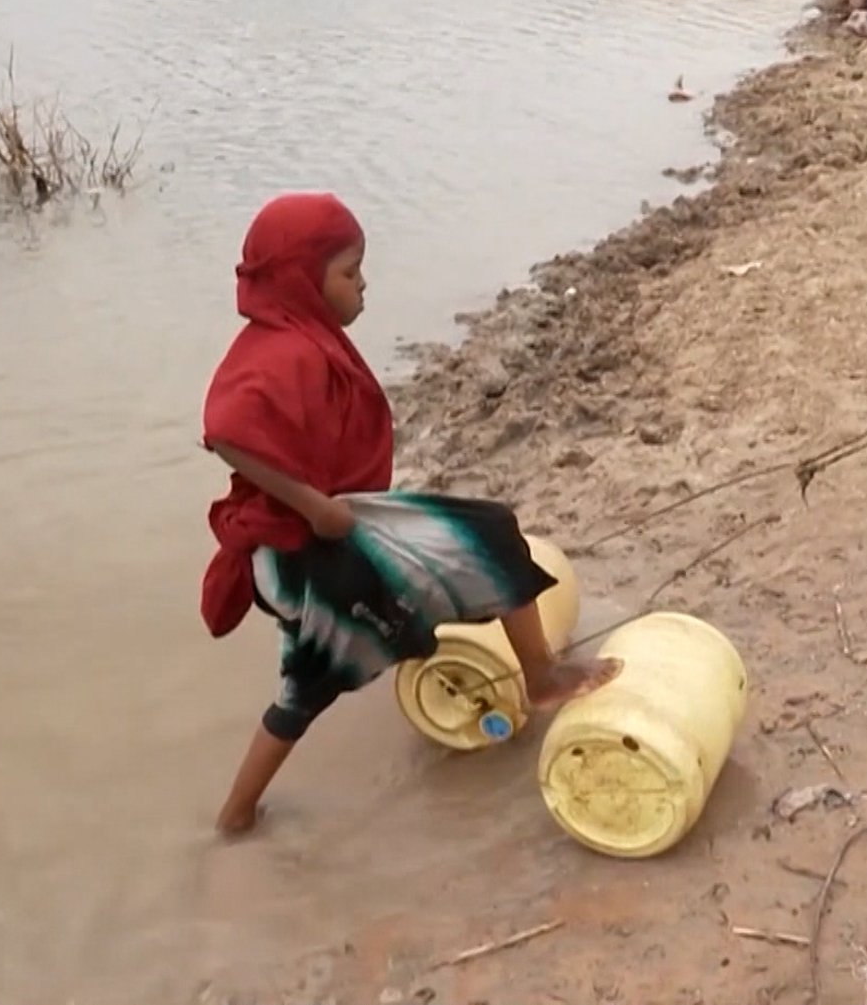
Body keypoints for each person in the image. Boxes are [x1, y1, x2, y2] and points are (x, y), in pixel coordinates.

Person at [200, 192, 620, 836]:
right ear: (300, 281)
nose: (363, 285)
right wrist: (314, 507)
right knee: (309, 685)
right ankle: (234, 818)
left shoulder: (301, 336)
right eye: (348, 272)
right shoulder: (287, 351)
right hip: (296, 551)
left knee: (487, 536)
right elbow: (224, 429)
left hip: (331, 526)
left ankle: (535, 674)